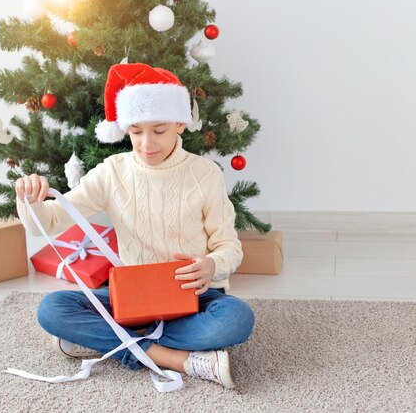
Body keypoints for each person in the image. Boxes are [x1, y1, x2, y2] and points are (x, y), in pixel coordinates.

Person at [15, 63, 254, 389]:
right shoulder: (112, 171)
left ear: (180, 124)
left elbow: (229, 246)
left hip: (193, 296)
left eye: (159, 130)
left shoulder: (205, 173)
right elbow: (54, 219)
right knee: (53, 309)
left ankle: (112, 341)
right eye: (136, 131)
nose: (146, 143)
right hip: (132, 299)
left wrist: (212, 264)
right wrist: (30, 200)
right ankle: (175, 359)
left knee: (238, 319)